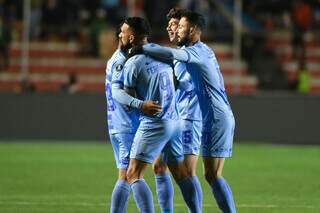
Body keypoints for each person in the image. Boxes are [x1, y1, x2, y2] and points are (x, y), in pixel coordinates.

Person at [141, 10, 237, 213]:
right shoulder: (188, 52)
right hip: (196, 115)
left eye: (178, 25)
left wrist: (142, 46)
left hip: (196, 116)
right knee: (162, 165)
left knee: (195, 172)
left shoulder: (195, 52)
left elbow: (170, 55)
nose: (172, 28)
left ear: (191, 29)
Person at [112, 17, 201, 213]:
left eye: (124, 32)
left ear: (132, 37)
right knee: (180, 173)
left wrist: (139, 103)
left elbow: (128, 97)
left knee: (133, 174)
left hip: (155, 124)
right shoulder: (162, 55)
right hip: (175, 121)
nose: (121, 34)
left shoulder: (133, 63)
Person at [152, 8, 203, 213]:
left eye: (175, 24)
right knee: (158, 166)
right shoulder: (175, 55)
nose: (170, 28)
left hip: (190, 116)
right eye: (170, 25)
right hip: (173, 118)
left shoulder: (191, 53)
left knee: (189, 172)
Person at [105, 27, 140, 213]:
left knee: (128, 174)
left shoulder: (115, 59)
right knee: (126, 176)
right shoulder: (121, 62)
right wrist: (140, 103)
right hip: (126, 125)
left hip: (117, 124)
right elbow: (120, 94)